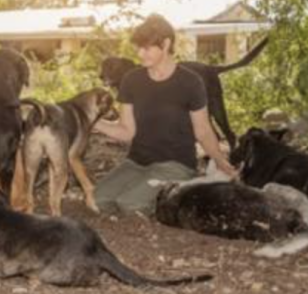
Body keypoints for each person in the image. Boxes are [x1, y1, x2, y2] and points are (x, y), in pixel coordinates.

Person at [92, 14, 237, 215]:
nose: (140, 54)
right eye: (138, 48)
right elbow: (126, 131)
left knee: (130, 205)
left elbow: (203, 130)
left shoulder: (190, 82)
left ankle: (179, 190)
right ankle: (146, 192)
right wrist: (92, 121)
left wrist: (221, 161)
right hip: (136, 163)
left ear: (166, 44)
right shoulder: (131, 80)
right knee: (97, 200)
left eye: (146, 48)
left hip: (176, 165)